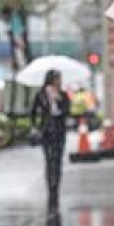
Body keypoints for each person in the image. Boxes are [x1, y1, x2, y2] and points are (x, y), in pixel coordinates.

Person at [30, 69, 71, 206]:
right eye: (58, 78)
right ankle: (50, 187)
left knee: (58, 160)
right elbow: (33, 111)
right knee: (48, 160)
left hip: (59, 131)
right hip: (47, 131)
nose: (60, 81)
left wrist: (59, 101)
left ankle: (56, 188)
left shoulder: (63, 95)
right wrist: (35, 126)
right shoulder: (41, 94)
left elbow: (67, 110)